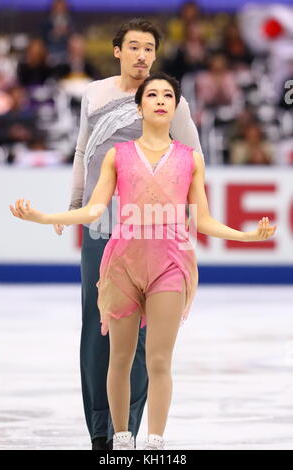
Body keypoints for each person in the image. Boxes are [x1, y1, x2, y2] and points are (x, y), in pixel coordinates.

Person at [10, 72, 277, 450]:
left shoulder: (191, 160)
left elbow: (202, 220)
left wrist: (248, 236)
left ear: (176, 106)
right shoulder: (118, 156)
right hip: (123, 263)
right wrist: (44, 218)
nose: (161, 100)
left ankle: (154, 442)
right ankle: (121, 440)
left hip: (170, 261)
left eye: (168, 94)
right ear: (140, 106)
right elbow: (93, 211)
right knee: (119, 357)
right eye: (152, 94)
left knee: (159, 359)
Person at [55, 18, 205, 451]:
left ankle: (130, 428)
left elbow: (192, 159)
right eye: (134, 47)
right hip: (102, 225)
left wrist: (189, 219)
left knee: (143, 333)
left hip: (151, 228)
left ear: (156, 56)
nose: (142, 55)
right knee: (96, 323)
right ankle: (99, 429)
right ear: (118, 51)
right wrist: (73, 206)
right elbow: (84, 150)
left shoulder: (169, 102)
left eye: (149, 49)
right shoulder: (94, 94)